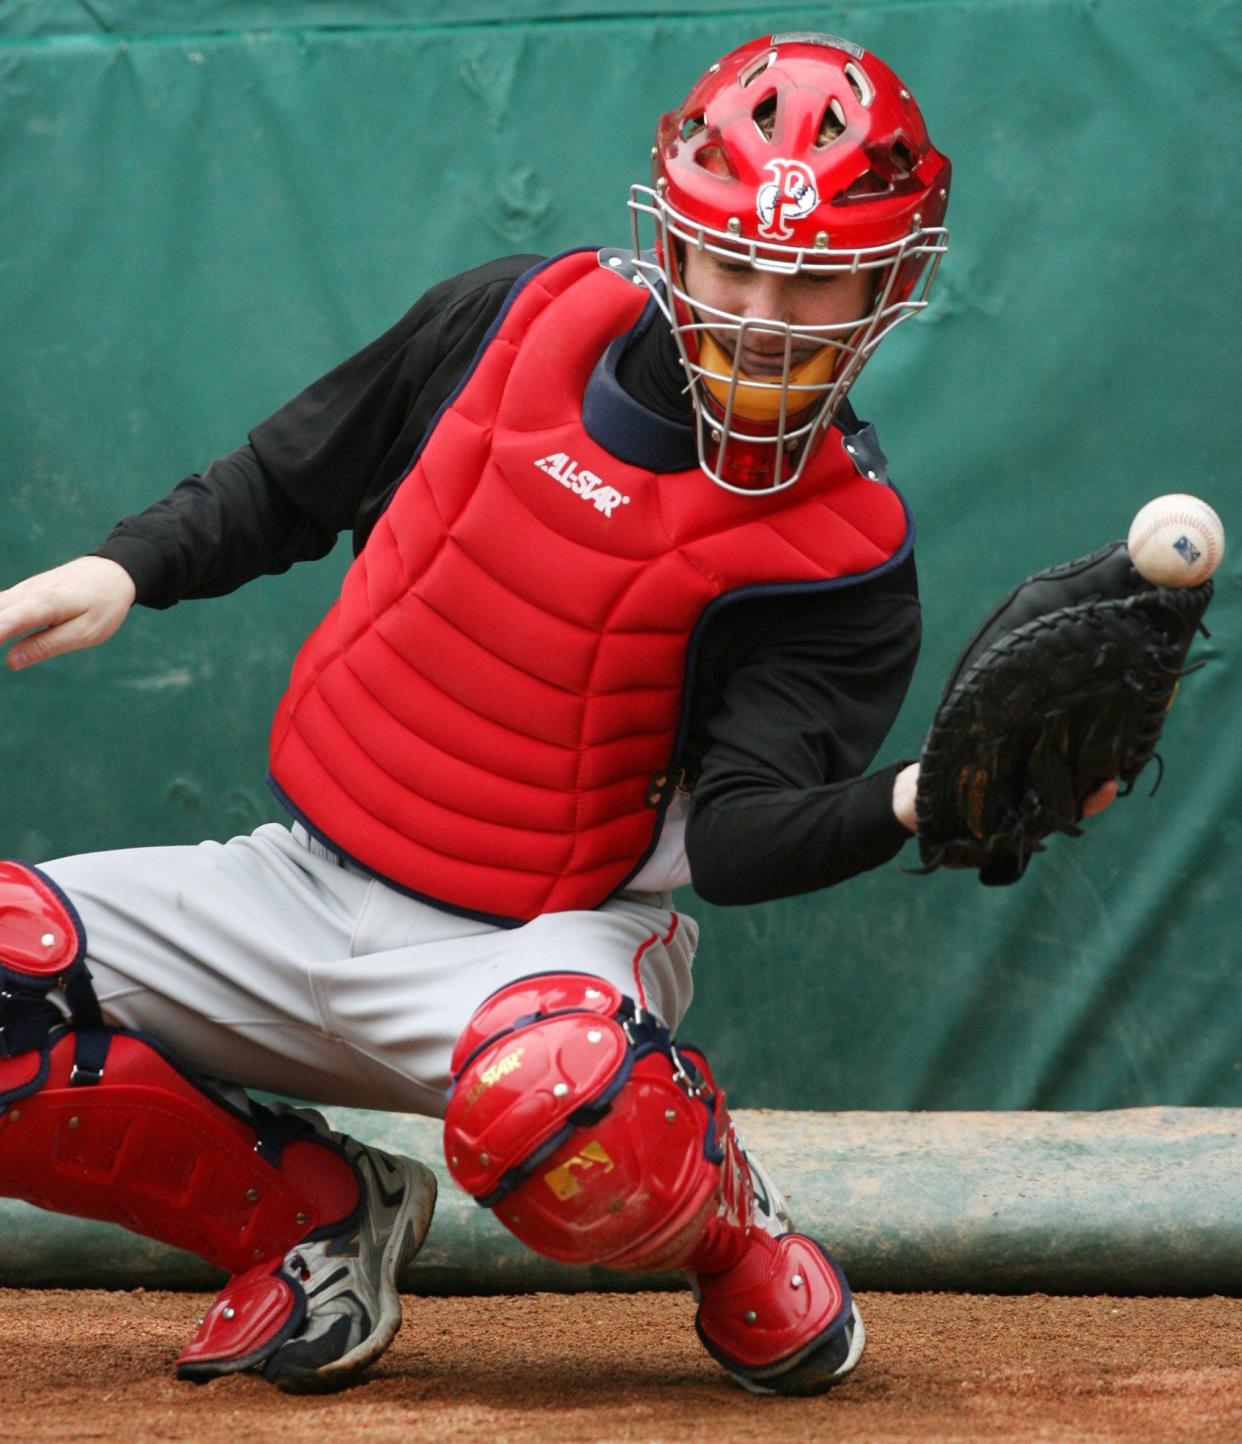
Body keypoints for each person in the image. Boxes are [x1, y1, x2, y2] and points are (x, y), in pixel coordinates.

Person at [0, 32, 1107, 1397]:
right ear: (668, 237)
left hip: (546, 949)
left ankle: (729, 1225)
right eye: (731, 264)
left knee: (568, 1101)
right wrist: (125, 567)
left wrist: (918, 797)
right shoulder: (509, 321)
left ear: (894, 288)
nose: (763, 315)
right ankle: (313, 1221)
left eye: (815, 286)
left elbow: (750, 837)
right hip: (297, 881)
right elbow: (288, 480)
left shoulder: (842, 555)